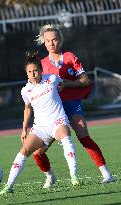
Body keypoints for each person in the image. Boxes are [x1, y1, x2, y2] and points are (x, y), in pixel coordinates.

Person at [31, 24, 115, 188]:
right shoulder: (41, 64)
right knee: (37, 152)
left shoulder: (69, 57)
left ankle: (107, 174)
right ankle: (50, 176)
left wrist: (66, 84)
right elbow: (35, 89)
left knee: (84, 136)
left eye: (54, 39)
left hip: (71, 105)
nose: (52, 43)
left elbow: (86, 80)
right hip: (53, 112)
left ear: (60, 40)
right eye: (48, 41)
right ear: (44, 42)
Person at [0, 51, 80, 195]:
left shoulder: (53, 78)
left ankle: (74, 176)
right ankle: (8, 186)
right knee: (24, 151)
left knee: (66, 137)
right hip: (40, 127)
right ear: (26, 73)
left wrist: (64, 87)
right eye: (30, 72)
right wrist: (24, 128)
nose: (33, 74)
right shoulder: (26, 91)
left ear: (41, 70)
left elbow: (63, 84)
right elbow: (27, 109)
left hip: (58, 121)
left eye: (35, 71)